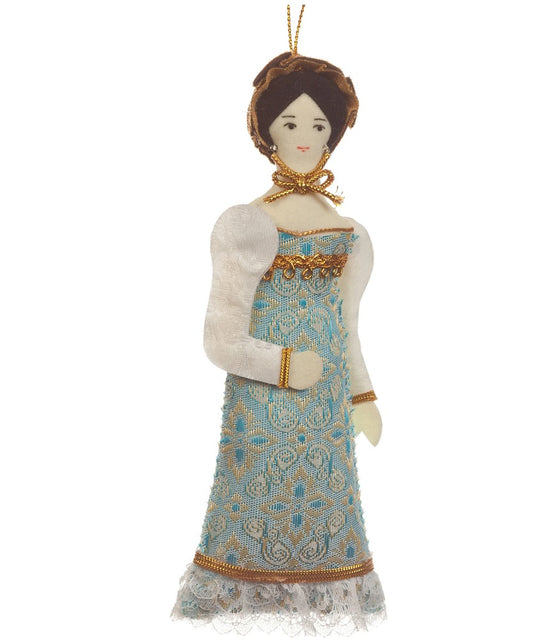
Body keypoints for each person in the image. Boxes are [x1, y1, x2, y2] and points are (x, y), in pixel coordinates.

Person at [172, 13, 386, 635]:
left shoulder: (350, 233)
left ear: (334, 134)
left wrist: (362, 396)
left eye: (319, 125)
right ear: (266, 129)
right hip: (262, 408)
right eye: (291, 122)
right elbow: (220, 339)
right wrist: (287, 365)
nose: (305, 136)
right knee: (253, 508)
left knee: (327, 515)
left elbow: (346, 327)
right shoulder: (248, 223)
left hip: (324, 414)